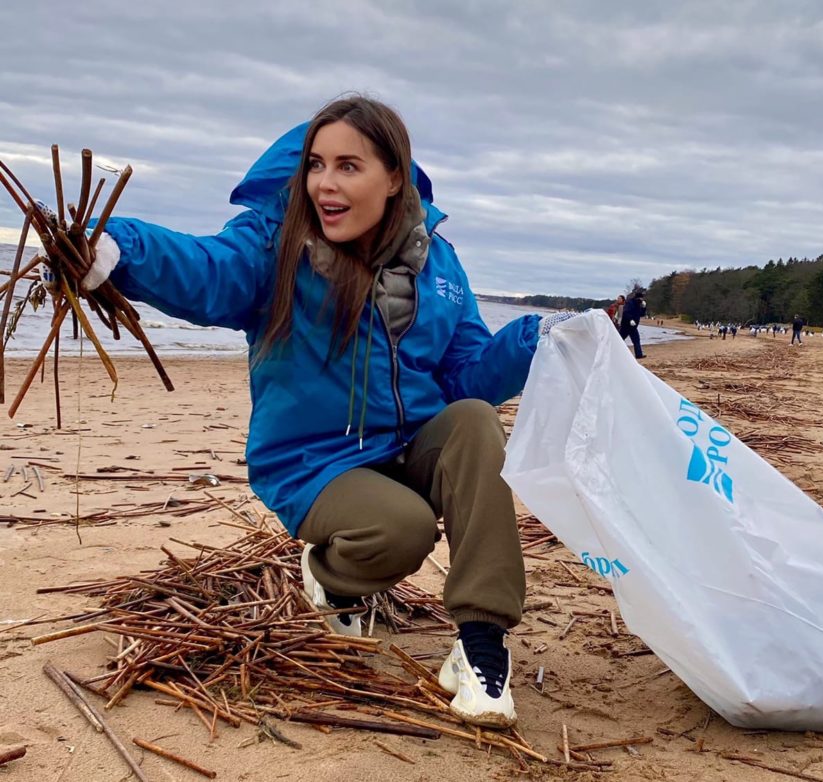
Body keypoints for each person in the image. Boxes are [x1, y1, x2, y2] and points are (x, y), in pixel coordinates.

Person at [67, 96, 541, 728]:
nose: (326, 183)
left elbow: (464, 376)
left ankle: (481, 647)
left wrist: (534, 342)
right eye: (317, 165)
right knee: (402, 530)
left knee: (477, 422)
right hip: (317, 461)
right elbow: (210, 272)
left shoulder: (438, 264)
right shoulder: (276, 243)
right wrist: (119, 250)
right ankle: (330, 576)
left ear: (394, 177)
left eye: (349, 166)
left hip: (410, 442)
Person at [619, 289, 647, 358]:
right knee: (620, 339)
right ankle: (614, 351)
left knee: (636, 340)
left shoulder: (639, 304)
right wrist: (630, 319)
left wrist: (644, 307)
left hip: (633, 326)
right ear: (638, 298)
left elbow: (641, 314)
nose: (642, 300)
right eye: (641, 298)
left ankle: (638, 354)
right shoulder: (630, 302)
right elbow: (626, 312)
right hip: (626, 325)